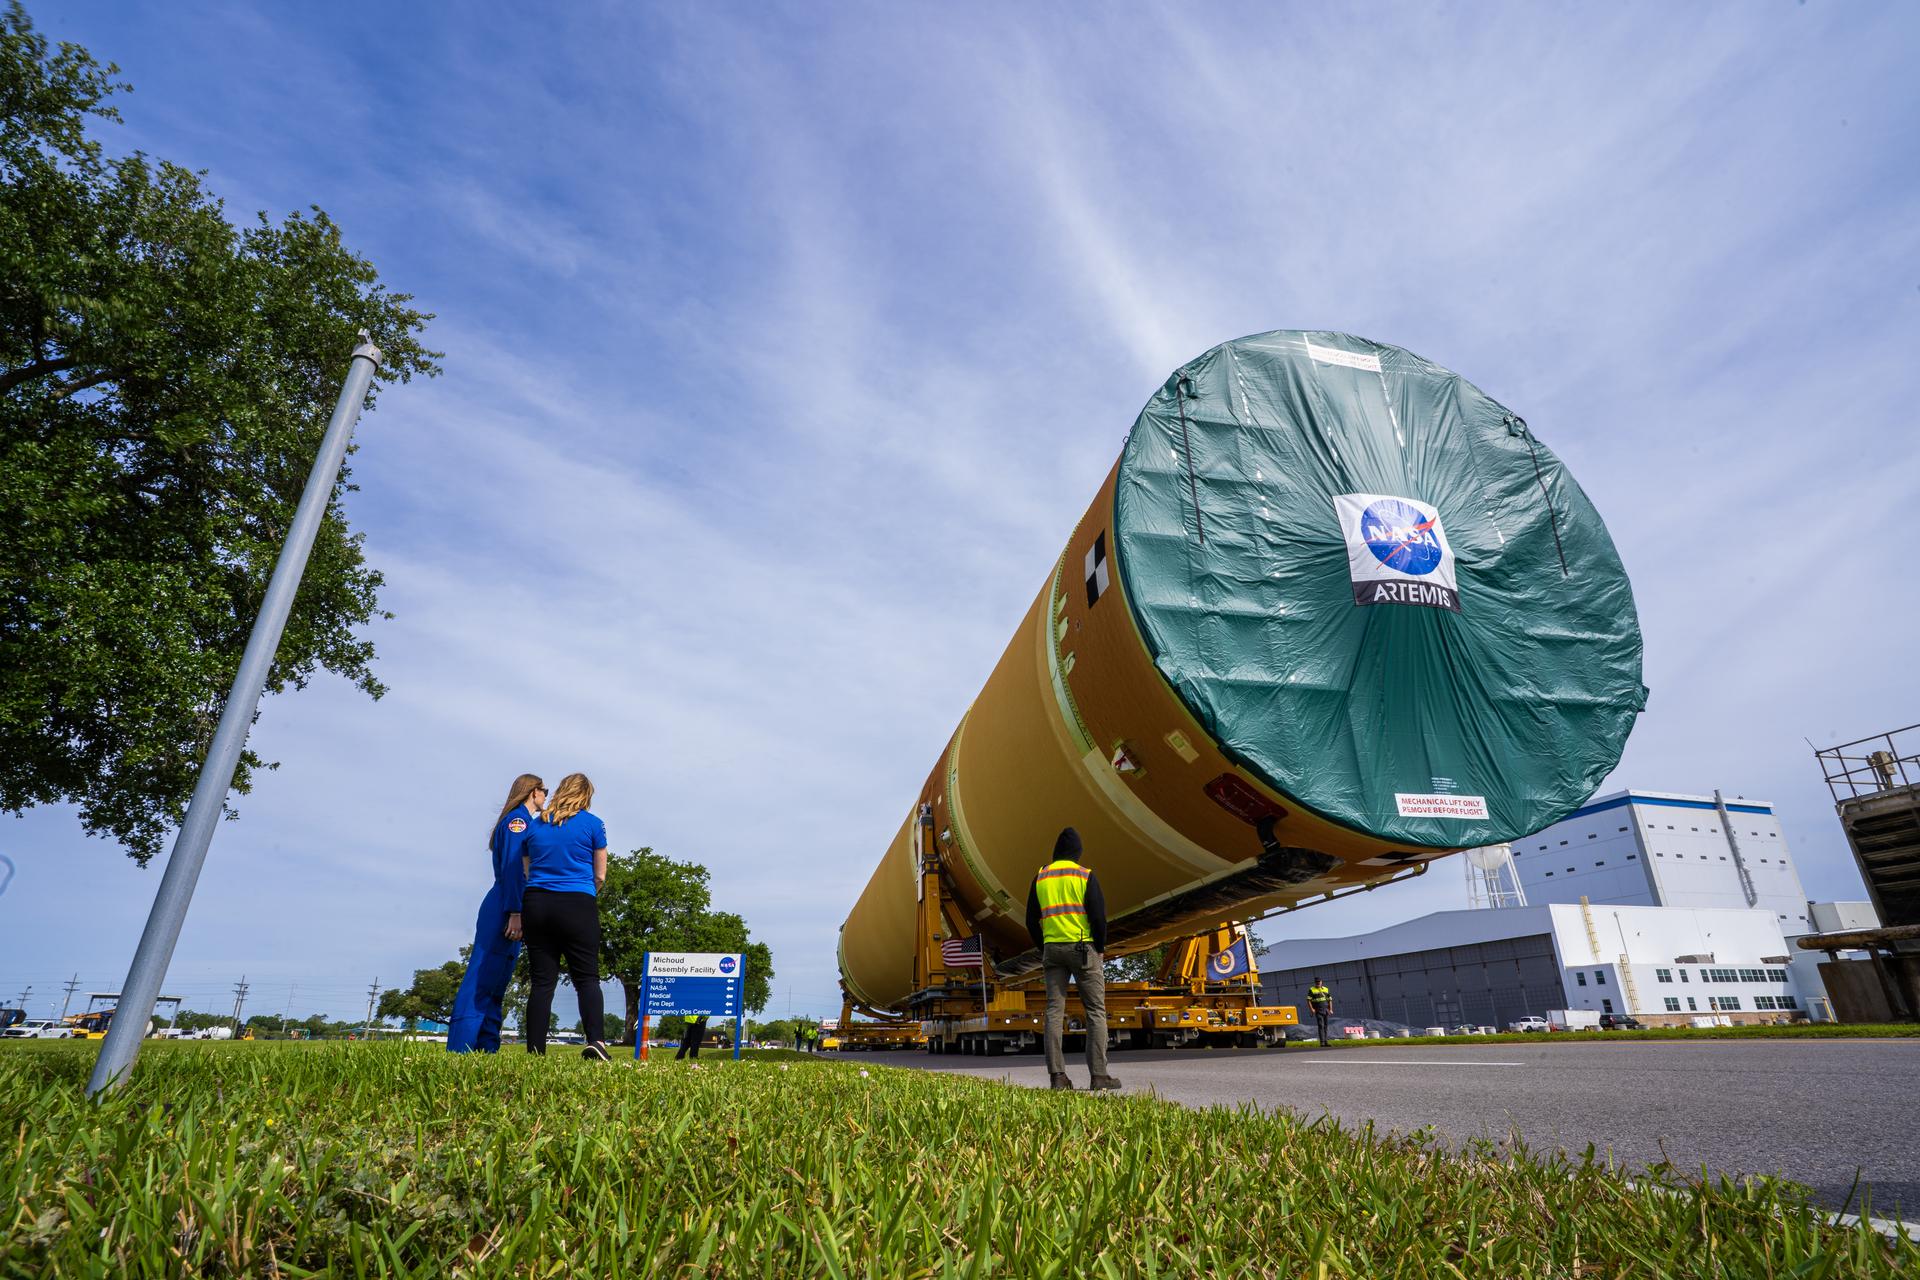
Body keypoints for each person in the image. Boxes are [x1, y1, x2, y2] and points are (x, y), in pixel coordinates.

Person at [448, 773, 545, 1054]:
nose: (546, 796)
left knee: (498, 980)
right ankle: (460, 1048)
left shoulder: (527, 822)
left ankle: (487, 1048)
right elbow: (514, 869)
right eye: (544, 790)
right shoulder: (518, 822)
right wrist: (515, 911)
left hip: (514, 904)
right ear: (532, 792)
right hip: (505, 903)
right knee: (481, 977)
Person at [521, 772, 611, 1061]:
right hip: (577, 902)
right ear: (586, 796)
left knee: (542, 981)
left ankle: (535, 1052)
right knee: (587, 978)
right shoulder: (593, 824)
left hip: (536, 903)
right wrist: (585, 891)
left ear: (560, 791)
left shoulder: (536, 826)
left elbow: (527, 870)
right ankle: (596, 1042)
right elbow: (600, 874)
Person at [1025, 826, 1119, 1092]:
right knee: (1095, 1012)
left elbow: (1031, 920)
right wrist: (1099, 948)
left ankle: (1057, 1077)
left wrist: (1043, 946)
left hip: (1052, 950)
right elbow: (1098, 917)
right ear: (1077, 852)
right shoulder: (1084, 875)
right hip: (1082, 949)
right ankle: (1099, 1076)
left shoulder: (1041, 877)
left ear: (1056, 852)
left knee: (1054, 1011)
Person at [1308, 976, 1333, 1047]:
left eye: (1319, 982)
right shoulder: (1312, 990)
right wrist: (1312, 1009)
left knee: (1325, 1026)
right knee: (1321, 1025)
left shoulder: (1326, 989)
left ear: (1321, 982)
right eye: (1317, 982)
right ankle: (1322, 1042)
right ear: (1315, 983)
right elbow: (1308, 1000)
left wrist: (1330, 1009)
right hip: (1318, 1009)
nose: (1318, 983)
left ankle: (1326, 1041)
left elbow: (1330, 1000)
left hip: (1326, 1010)